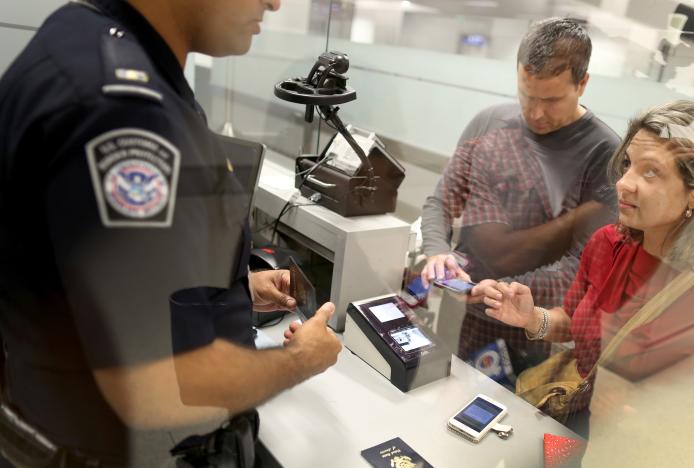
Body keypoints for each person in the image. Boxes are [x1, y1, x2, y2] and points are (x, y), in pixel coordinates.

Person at [0, 0, 341, 465]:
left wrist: (232, 293)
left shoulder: (89, 37)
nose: (275, 2)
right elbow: (152, 384)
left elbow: (104, 284)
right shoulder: (124, 111)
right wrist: (301, 360)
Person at [474, 100, 694, 438]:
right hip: (578, 424)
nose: (623, 183)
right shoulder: (607, 243)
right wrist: (531, 318)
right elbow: (575, 325)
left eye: (651, 172)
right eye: (628, 165)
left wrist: (658, 411)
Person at [419, 18, 620, 369]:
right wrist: (437, 250)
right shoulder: (490, 122)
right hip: (458, 306)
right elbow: (441, 202)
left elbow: (579, 265)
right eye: (526, 95)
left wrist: (502, 291)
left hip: (528, 327)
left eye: (552, 100)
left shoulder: (605, 153)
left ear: (583, 84)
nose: (535, 113)